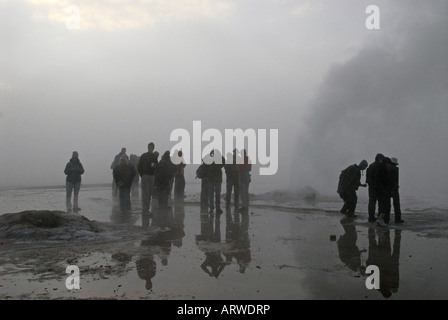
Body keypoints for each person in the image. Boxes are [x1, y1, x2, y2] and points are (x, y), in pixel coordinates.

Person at [138, 143, 158, 213]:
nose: (150, 148)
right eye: (149, 147)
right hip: (146, 175)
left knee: (150, 192)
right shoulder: (144, 155)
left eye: (151, 147)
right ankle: (145, 207)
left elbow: (156, 166)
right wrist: (142, 174)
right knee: (145, 192)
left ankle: (147, 207)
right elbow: (139, 166)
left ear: (153, 148)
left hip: (151, 176)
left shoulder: (154, 156)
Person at [375, 157, 394, 227]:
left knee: (382, 206)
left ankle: (380, 220)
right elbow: (383, 182)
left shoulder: (379, 169)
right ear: (386, 163)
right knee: (385, 206)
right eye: (388, 164)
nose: (389, 166)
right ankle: (380, 219)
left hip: (380, 191)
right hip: (383, 191)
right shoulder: (383, 170)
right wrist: (386, 191)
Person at [366, 153, 385, 223]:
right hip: (378, 187)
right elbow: (381, 178)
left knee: (372, 202)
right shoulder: (379, 166)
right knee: (380, 202)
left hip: (371, 187)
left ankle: (371, 217)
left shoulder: (370, 166)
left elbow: (367, 179)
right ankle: (379, 217)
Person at [206, 149, 225, 214]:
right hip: (216, 179)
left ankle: (212, 208)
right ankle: (217, 208)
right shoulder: (218, 160)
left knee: (212, 195)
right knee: (217, 195)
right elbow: (224, 162)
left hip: (211, 179)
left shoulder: (209, 160)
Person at [237, 149, 252, 213]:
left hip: (242, 176)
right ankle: (246, 206)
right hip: (247, 176)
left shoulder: (241, 160)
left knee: (242, 192)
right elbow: (249, 169)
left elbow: (238, 168)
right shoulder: (248, 160)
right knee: (246, 192)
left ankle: (244, 206)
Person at [390, 157, 404, 224]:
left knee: (386, 205)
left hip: (388, 189)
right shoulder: (395, 169)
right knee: (396, 205)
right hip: (394, 189)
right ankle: (397, 219)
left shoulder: (387, 169)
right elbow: (395, 180)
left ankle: (385, 218)